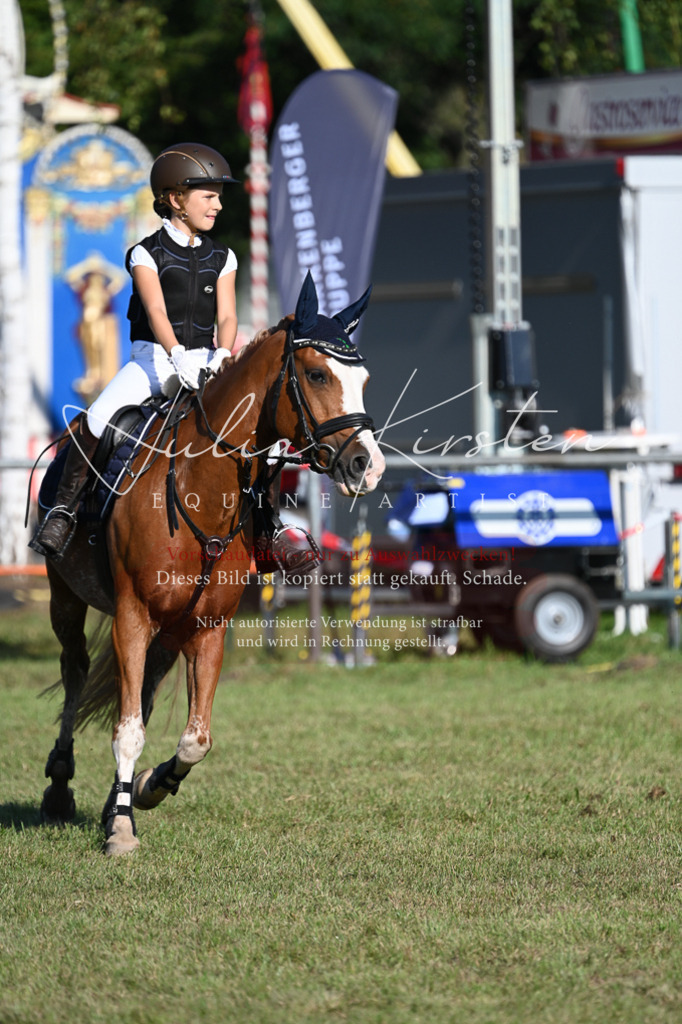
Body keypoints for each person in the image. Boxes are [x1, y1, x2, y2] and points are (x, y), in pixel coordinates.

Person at [31, 142, 239, 560]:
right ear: (176, 198)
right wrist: (177, 355)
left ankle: (268, 527)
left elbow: (228, 317)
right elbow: (156, 308)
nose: (218, 204)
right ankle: (62, 513)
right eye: (209, 195)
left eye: (219, 195)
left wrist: (221, 355)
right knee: (95, 420)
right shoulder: (147, 252)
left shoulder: (224, 255)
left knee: (253, 430)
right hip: (153, 362)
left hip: (207, 362)